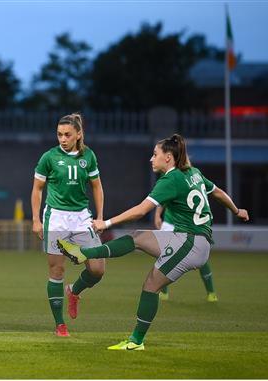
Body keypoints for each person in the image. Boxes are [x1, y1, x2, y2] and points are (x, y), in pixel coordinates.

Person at [57, 134, 249, 350]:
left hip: (191, 244)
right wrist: (237, 210)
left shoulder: (172, 179)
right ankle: (83, 260)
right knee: (138, 237)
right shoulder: (193, 173)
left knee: (151, 285)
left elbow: (141, 210)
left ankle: (136, 341)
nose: (151, 159)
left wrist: (106, 223)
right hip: (186, 239)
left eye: (155, 154)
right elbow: (219, 193)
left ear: (168, 157)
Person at [31, 113, 106, 337]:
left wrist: (100, 216)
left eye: (67, 135)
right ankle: (60, 324)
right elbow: (37, 189)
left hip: (82, 217)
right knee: (57, 269)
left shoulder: (89, 156)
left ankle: (74, 290)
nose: (62, 139)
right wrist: (35, 219)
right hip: (55, 217)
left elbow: (97, 186)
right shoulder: (49, 157)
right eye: (59, 134)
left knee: (97, 269)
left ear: (78, 134)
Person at [155, 205, 218, 302]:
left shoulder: (197, 190)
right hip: (169, 224)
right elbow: (161, 199)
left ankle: (211, 293)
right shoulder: (170, 189)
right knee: (164, 256)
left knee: (201, 258)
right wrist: (157, 215)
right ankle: (163, 292)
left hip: (189, 224)